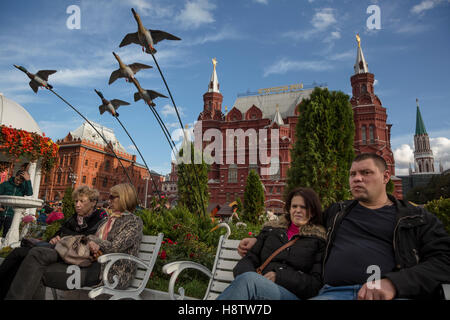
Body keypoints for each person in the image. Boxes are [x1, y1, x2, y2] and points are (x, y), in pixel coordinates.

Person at [238, 153, 450, 300]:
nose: (357, 178)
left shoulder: (416, 217)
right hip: (332, 293)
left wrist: (394, 284)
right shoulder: (337, 212)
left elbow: (445, 260)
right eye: (352, 174)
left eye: (366, 173)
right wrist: (259, 237)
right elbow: (298, 222)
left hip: (393, 296)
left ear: (386, 177)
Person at [5, 183, 143, 300]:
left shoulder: (133, 221)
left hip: (110, 272)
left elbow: (115, 247)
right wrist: (90, 241)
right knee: (36, 263)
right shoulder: (109, 220)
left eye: (113, 197)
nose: (109, 200)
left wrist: (92, 240)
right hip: (90, 262)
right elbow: (90, 241)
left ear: (124, 198)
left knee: (38, 269)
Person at [217, 187, 326, 300]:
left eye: (303, 207)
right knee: (248, 280)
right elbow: (248, 260)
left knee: (249, 281)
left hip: (290, 294)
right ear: (289, 209)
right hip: (258, 288)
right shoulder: (271, 230)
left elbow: (315, 284)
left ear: (312, 212)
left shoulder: (318, 241)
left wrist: (279, 276)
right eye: (294, 206)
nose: (297, 210)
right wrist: (254, 277)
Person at [0, 185, 106, 299]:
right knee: (19, 254)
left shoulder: (99, 218)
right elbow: (58, 233)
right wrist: (54, 238)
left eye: (82, 201)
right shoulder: (73, 218)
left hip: (74, 254)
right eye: (76, 201)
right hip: (59, 248)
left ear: (93, 203)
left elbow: (88, 238)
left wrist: (64, 238)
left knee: (25, 253)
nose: (77, 205)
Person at [0, 169, 33, 237]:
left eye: (21, 181)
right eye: (17, 179)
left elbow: (29, 193)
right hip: (1, 213)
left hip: (12, 215)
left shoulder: (23, 187)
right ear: (15, 176)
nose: (18, 182)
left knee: (6, 235)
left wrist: (28, 180)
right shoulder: (5, 184)